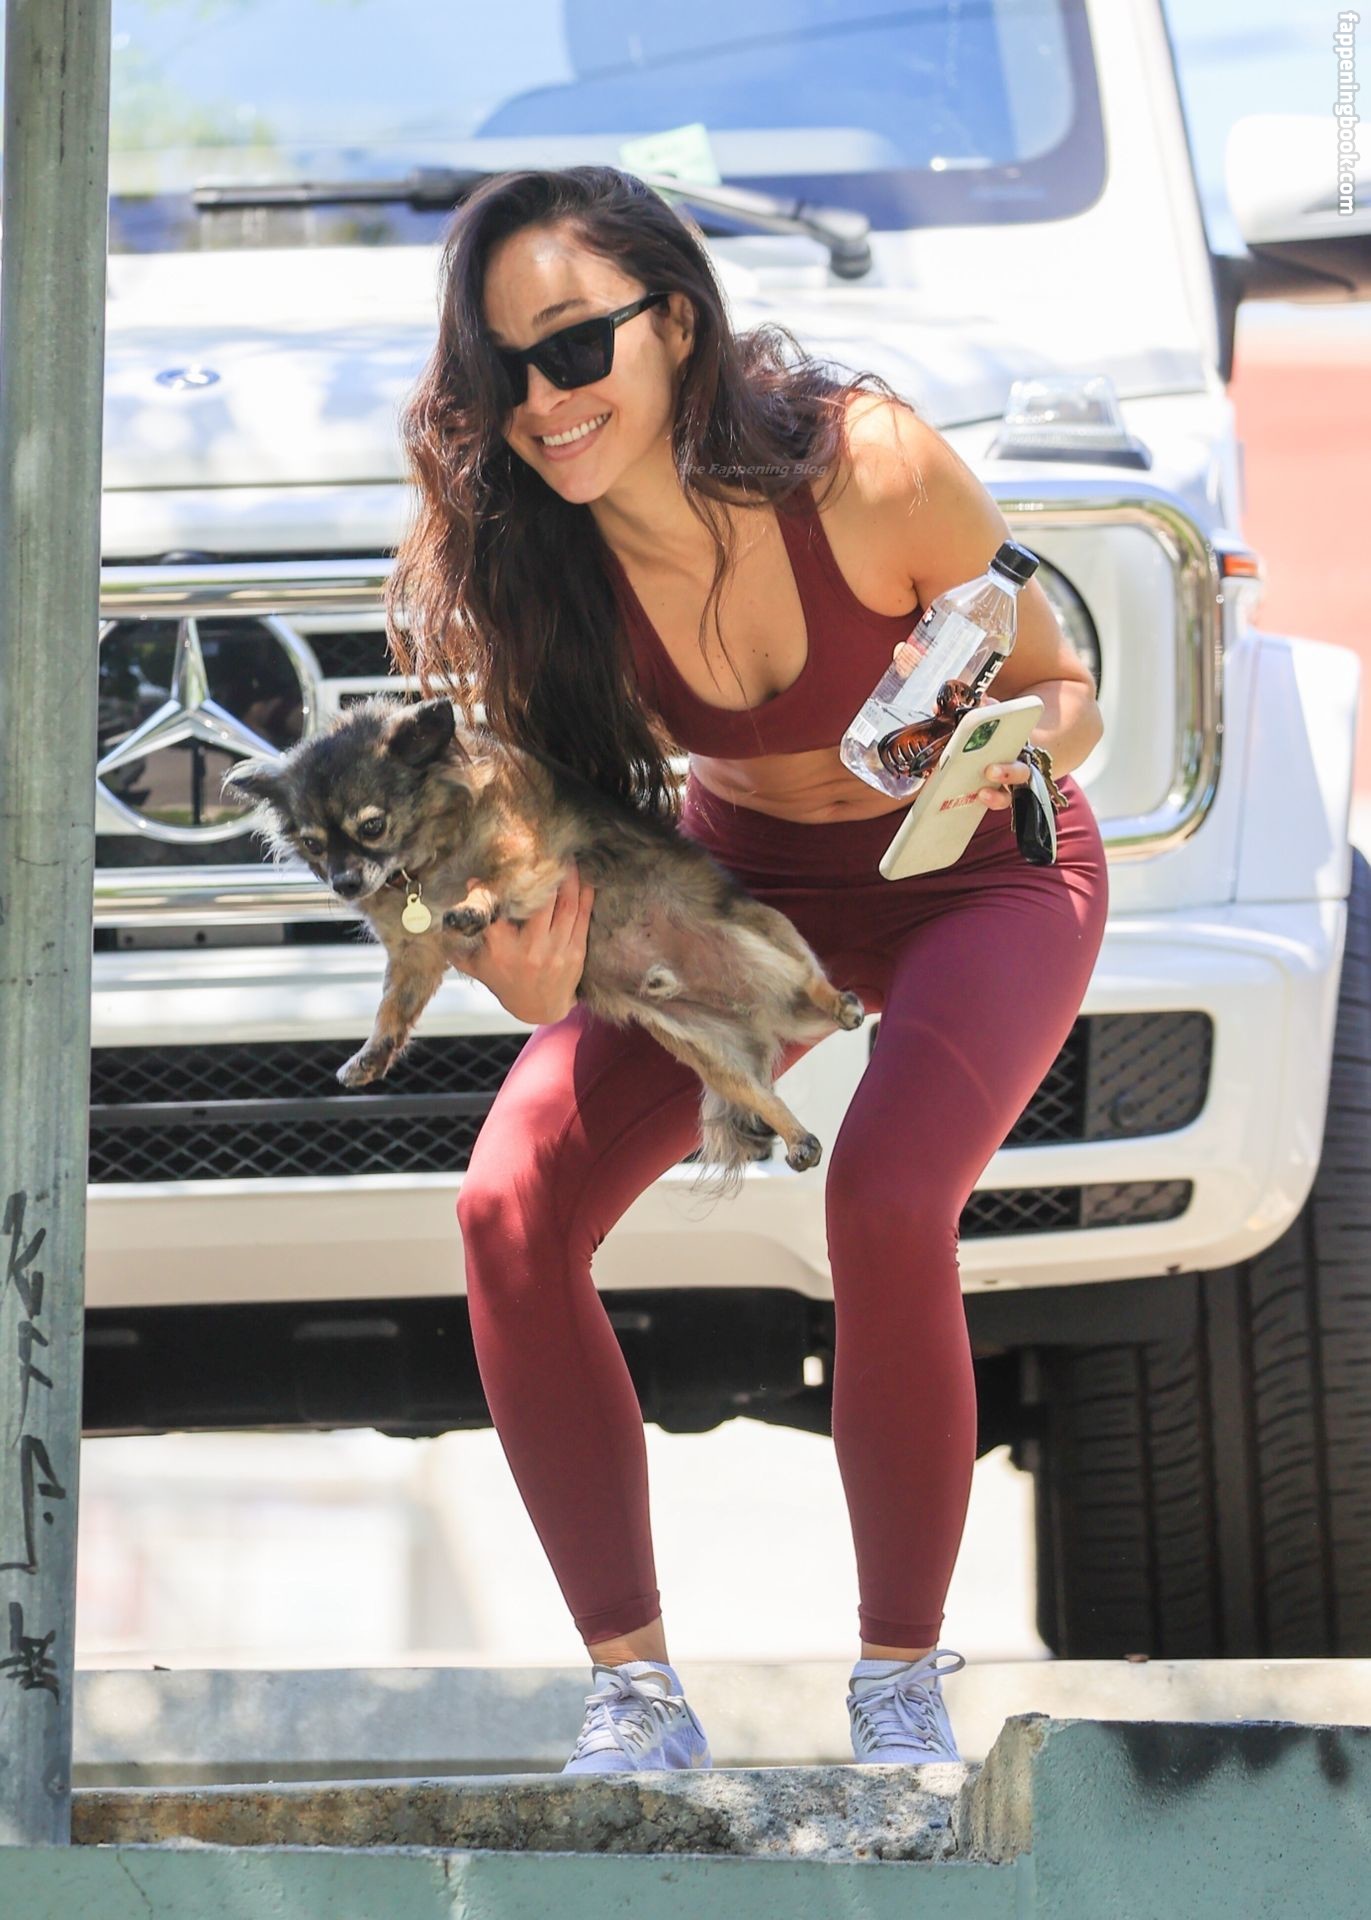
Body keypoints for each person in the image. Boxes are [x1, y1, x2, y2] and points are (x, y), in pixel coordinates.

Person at [387, 166, 1108, 1773]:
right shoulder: (536, 563)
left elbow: (1070, 692)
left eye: (575, 348)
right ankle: (634, 1698)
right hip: (754, 889)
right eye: (503, 368)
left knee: (886, 1195)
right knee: (510, 1203)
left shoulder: (867, 465)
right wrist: (520, 970)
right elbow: (538, 869)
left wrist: (997, 749)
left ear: (675, 323)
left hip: (983, 873)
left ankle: (900, 1683)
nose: (543, 402)